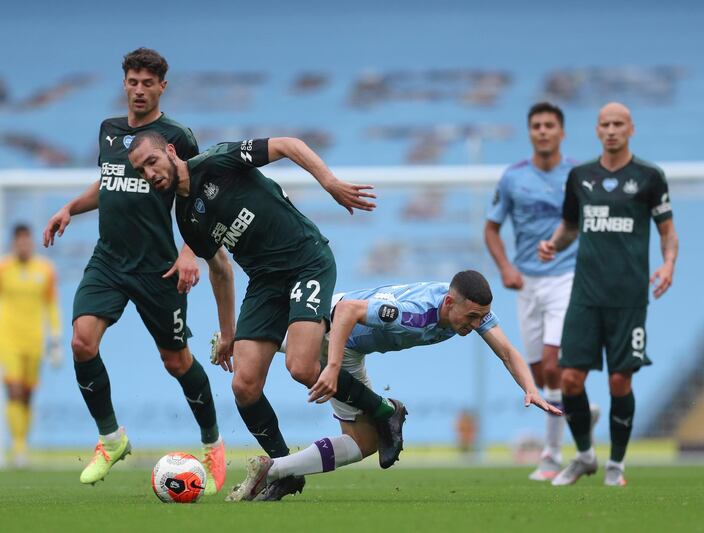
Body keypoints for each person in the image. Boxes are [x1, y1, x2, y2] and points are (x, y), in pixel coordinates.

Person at [127, 131, 407, 501]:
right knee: (243, 385)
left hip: (305, 261)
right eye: (141, 171)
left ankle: (386, 411)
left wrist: (330, 183)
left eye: (152, 162)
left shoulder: (218, 161)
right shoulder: (185, 218)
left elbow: (287, 144)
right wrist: (227, 333)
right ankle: (283, 470)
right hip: (264, 282)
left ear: (172, 152)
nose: (150, 173)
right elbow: (221, 269)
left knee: (302, 367)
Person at [42, 48, 231, 493]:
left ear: (162, 86)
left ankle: (213, 444)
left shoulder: (177, 136)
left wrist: (189, 250)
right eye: (133, 82)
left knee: (176, 360)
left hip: (158, 267)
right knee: (81, 341)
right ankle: (111, 439)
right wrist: (71, 206)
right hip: (108, 260)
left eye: (148, 83)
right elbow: (111, 183)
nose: (139, 90)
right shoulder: (109, 131)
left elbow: (201, 197)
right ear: (124, 83)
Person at [228, 271, 562, 501]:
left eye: (481, 317)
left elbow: (507, 351)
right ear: (449, 302)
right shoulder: (414, 313)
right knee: (281, 364)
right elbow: (346, 311)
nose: (477, 324)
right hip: (329, 328)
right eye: (472, 317)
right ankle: (384, 410)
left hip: (349, 348)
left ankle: (273, 469)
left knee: (363, 442)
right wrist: (331, 366)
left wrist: (529, 388)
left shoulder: (468, 309)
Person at [538, 102, 679, 487]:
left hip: (629, 297)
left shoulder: (650, 177)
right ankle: (584, 455)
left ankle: (616, 464)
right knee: (569, 379)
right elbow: (569, 227)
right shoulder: (580, 176)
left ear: (631, 127)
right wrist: (553, 244)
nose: (612, 129)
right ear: (597, 130)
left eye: (619, 123)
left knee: (620, 382)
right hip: (585, 294)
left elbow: (667, 232)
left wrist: (667, 265)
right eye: (605, 124)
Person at [485, 102, 586, 480]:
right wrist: (506, 268)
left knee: (552, 362)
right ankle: (575, 407)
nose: (543, 131)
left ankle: (551, 454)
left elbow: (588, 224)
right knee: (539, 373)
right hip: (526, 282)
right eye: (537, 126)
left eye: (549, 125)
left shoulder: (578, 175)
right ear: (530, 132)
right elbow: (491, 229)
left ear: (561, 131)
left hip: (566, 276)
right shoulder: (513, 178)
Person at [0, 224, 61, 467]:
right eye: (19, 242)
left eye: (27, 241)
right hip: (7, 339)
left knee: (27, 396)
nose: (23, 246)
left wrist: (56, 341)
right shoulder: (0, 269)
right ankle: (18, 448)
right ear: (13, 243)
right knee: (14, 390)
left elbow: (51, 306)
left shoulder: (45, 270)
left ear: (31, 243)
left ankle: (21, 444)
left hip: (34, 340)